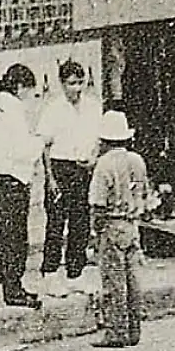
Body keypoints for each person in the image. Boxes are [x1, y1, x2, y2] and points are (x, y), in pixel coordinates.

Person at [89, 110, 155, 347]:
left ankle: (116, 332)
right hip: (132, 224)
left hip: (112, 224)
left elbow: (97, 203)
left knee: (113, 282)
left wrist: (95, 232)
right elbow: (144, 192)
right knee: (133, 279)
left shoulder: (104, 165)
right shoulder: (137, 161)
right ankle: (134, 329)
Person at [36, 60, 103, 294]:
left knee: (81, 223)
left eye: (80, 82)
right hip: (60, 168)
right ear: (62, 84)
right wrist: (51, 179)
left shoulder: (93, 106)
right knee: (56, 224)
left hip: (84, 169)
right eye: (71, 83)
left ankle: (76, 273)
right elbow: (44, 146)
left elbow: (98, 138)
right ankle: (51, 274)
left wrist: (93, 158)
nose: (76, 88)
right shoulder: (53, 109)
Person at [0, 64, 45, 309]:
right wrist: (40, 142)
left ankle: (12, 286)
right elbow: (22, 149)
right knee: (15, 236)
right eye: (30, 92)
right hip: (14, 178)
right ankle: (14, 289)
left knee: (8, 234)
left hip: (2, 177)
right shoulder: (13, 110)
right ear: (20, 87)